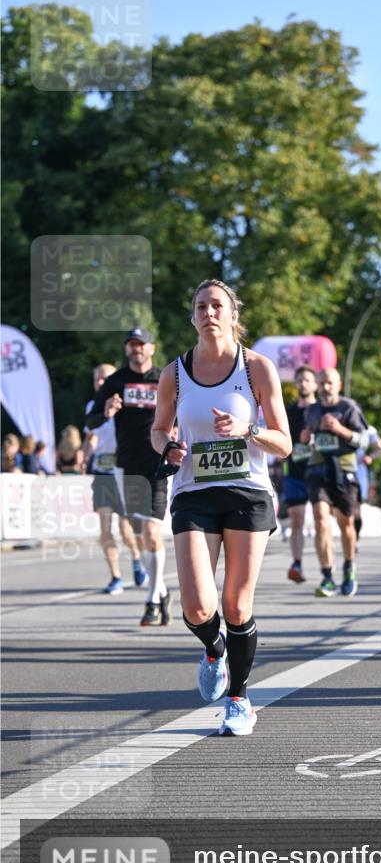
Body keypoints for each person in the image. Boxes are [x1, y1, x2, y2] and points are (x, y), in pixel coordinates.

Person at [151, 278, 291, 736]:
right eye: (200, 306)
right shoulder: (174, 372)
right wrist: (167, 447)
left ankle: (240, 699)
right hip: (194, 492)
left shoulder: (257, 369)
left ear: (234, 315)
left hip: (247, 493)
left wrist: (247, 431)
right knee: (195, 605)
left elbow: (284, 444)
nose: (209, 312)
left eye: (217, 306)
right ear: (192, 317)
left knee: (235, 603)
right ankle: (214, 651)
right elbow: (159, 428)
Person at [86, 327, 171, 626]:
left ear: (152, 348)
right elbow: (91, 419)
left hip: (158, 462)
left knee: (151, 533)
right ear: (126, 350)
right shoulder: (116, 381)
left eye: (141, 344)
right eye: (131, 344)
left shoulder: (165, 378)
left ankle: (150, 601)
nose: (136, 349)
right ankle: (161, 591)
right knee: (139, 535)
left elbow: (184, 412)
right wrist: (107, 411)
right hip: (127, 466)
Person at [301, 368, 368, 598]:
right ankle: (327, 576)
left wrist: (340, 430)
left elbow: (365, 441)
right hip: (318, 469)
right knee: (320, 520)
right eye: (322, 383)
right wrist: (306, 438)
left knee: (345, 524)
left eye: (330, 383)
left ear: (338, 384)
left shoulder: (348, 408)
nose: (326, 388)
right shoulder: (311, 410)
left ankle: (349, 566)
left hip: (344, 470)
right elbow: (308, 440)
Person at [84, 363, 147, 595]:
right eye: (97, 379)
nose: (100, 382)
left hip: (124, 468)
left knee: (125, 528)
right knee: (104, 526)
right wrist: (86, 456)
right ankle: (116, 576)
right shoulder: (92, 406)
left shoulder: (128, 404)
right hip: (102, 470)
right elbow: (90, 437)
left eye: (105, 378)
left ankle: (136, 558)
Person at [283, 365, 318, 583]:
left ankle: (328, 565)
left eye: (307, 380)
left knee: (322, 519)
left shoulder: (322, 410)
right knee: (297, 518)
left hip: (319, 472)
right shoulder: (288, 411)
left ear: (314, 384)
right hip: (294, 471)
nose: (303, 384)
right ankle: (297, 563)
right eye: (300, 380)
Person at [355, 423, 381, 540]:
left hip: (358, 471)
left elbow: (380, 448)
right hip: (337, 469)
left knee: (356, 508)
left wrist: (370, 457)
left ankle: (354, 537)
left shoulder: (367, 429)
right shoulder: (337, 422)